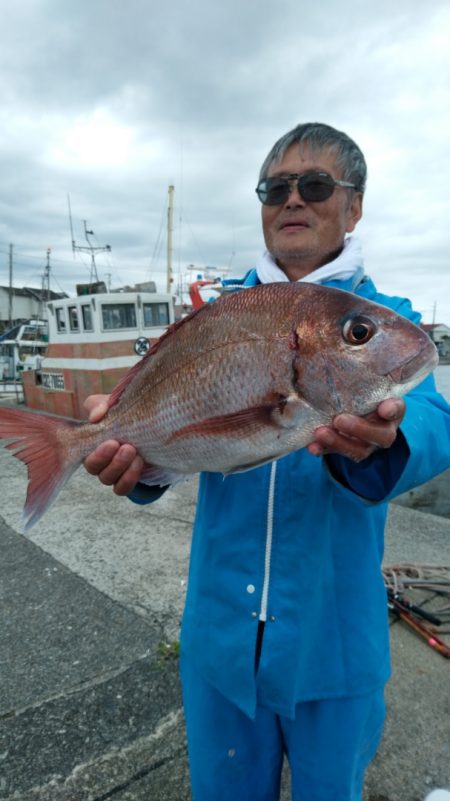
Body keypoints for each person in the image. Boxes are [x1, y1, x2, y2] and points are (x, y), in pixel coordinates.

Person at [83, 123, 450, 801]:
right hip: (219, 639)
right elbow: (177, 429)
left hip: (333, 645)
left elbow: (434, 419)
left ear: (355, 205)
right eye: (275, 187)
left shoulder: (383, 320)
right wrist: (140, 463)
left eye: (315, 185)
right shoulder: (222, 314)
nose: (293, 200)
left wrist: (392, 441)